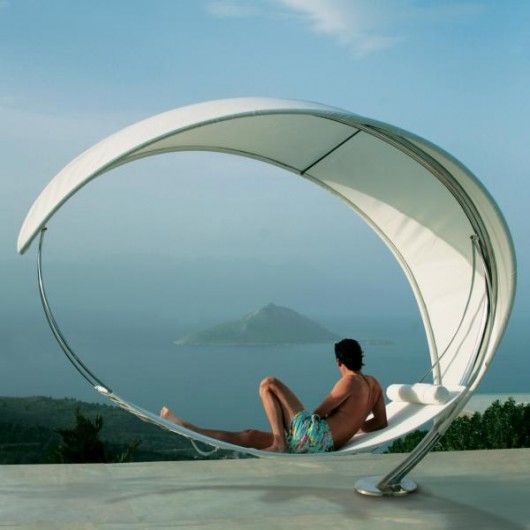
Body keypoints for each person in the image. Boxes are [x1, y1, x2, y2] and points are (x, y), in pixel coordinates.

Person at [160, 338, 387, 453]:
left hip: (315, 436)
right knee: (248, 436)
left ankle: (279, 442)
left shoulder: (348, 381)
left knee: (268, 384)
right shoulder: (374, 384)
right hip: (320, 446)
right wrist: (354, 426)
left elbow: (318, 413)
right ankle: (185, 426)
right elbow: (380, 422)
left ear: (339, 361)